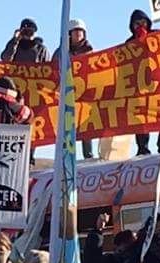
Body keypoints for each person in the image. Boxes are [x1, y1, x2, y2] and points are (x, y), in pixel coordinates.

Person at [126, 10, 160, 155]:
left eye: (143, 23)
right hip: (139, 86)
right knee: (141, 117)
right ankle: (142, 148)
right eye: (137, 24)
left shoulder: (157, 36)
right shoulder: (129, 43)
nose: (140, 26)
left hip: (158, 82)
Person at [52, 19, 94, 159]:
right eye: (75, 32)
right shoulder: (61, 52)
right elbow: (51, 69)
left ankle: (88, 155)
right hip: (66, 93)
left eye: (81, 32)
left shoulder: (90, 51)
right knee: (67, 125)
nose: (78, 35)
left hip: (85, 94)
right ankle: (67, 155)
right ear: (69, 34)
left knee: (86, 124)